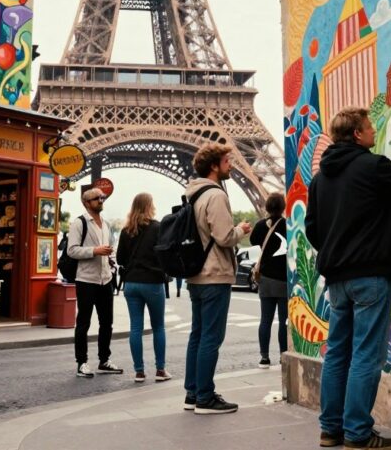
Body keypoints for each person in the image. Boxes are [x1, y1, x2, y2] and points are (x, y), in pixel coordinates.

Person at [306, 107, 391, 450]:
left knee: (337, 353)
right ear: (357, 135)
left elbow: (312, 230)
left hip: (337, 279)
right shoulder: (372, 164)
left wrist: (339, 251)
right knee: (366, 354)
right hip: (370, 276)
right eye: (369, 126)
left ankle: (331, 430)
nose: (373, 129)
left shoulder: (319, 179)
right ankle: (358, 435)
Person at [183, 143, 252, 415]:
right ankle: (205, 397)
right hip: (214, 274)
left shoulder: (193, 194)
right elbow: (224, 237)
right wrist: (241, 229)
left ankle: (192, 392)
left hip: (196, 275)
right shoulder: (215, 195)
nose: (231, 165)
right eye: (227, 161)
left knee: (197, 335)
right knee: (212, 337)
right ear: (214, 166)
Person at [116, 192, 172, 383]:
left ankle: (139, 372)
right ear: (150, 206)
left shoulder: (126, 231)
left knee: (135, 328)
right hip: (152, 282)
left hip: (131, 283)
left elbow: (120, 259)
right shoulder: (157, 228)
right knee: (158, 327)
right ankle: (160, 370)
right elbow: (165, 254)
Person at [68, 188, 123, 378]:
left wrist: (112, 263)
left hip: (105, 279)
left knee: (107, 322)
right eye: (96, 198)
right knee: (83, 322)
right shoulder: (79, 223)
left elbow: (111, 250)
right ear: (86, 203)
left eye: (102, 198)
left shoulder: (106, 224)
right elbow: (72, 250)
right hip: (86, 279)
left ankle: (104, 360)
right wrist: (95, 251)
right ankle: (82, 362)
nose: (101, 200)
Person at [250, 191, 287, 369]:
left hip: (265, 278)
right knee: (283, 321)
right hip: (283, 279)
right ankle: (283, 355)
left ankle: (264, 357)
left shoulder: (260, 226)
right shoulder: (288, 225)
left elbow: (253, 240)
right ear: (283, 207)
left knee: (265, 320)